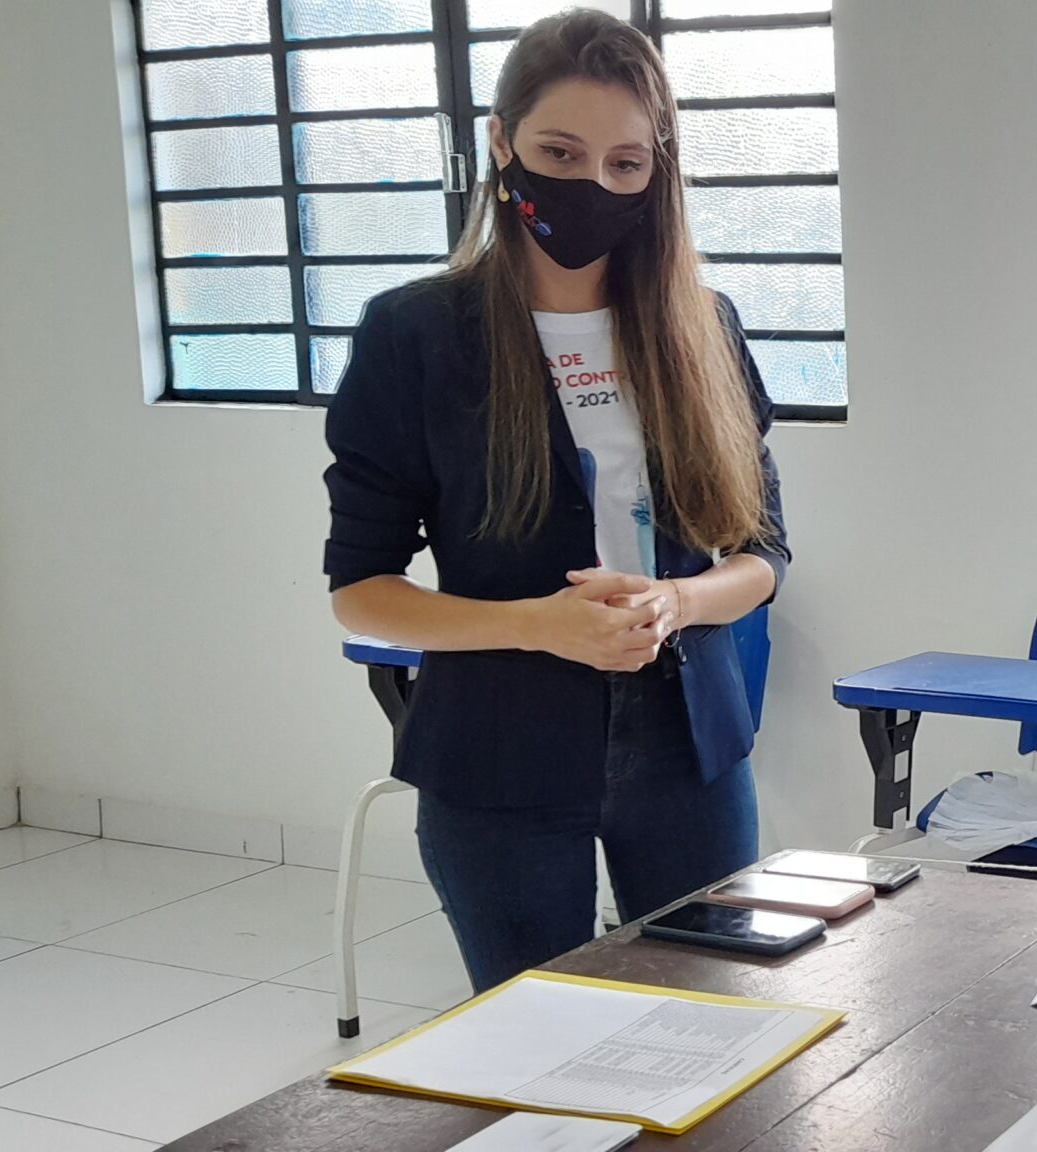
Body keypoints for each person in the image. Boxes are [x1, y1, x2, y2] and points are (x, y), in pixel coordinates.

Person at [321, 11, 787, 993]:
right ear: (502, 144)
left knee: (707, 1019)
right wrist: (538, 624)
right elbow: (361, 591)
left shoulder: (704, 328)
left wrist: (676, 601)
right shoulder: (415, 335)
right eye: (560, 154)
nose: (594, 185)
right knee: (533, 1038)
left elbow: (762, 556)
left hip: (688, 750)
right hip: (497, 754)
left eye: (625, 164)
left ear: (657, 171)